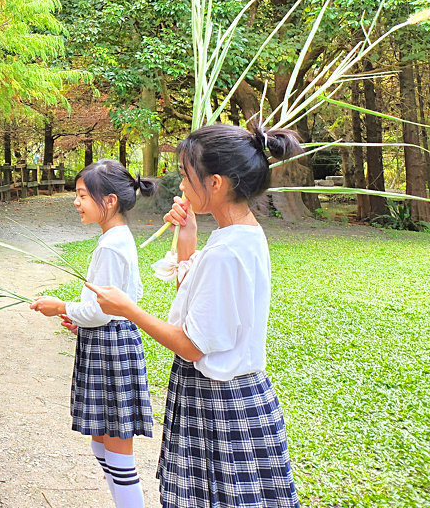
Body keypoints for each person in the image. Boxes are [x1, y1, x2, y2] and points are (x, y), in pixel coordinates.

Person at [87, 123, 302, 508]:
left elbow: (190, 344)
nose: (181, 186)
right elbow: (200, 307)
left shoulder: (225, 253)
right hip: (231, 397)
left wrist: (128, 310)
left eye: (187, 176)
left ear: (215, 183)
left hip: (221, 405)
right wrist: (188, 235)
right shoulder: (241, 236)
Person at [31, 159, 155, 508]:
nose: (76, 202)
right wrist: (79, 319)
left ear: (110, 201)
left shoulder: (112, 245)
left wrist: (62, 307)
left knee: (117, 453)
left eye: (83, 195)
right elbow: (105, 309)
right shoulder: (114, 239)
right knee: (102, 445)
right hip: (104, 344)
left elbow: (102, 311)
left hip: (112, 351)